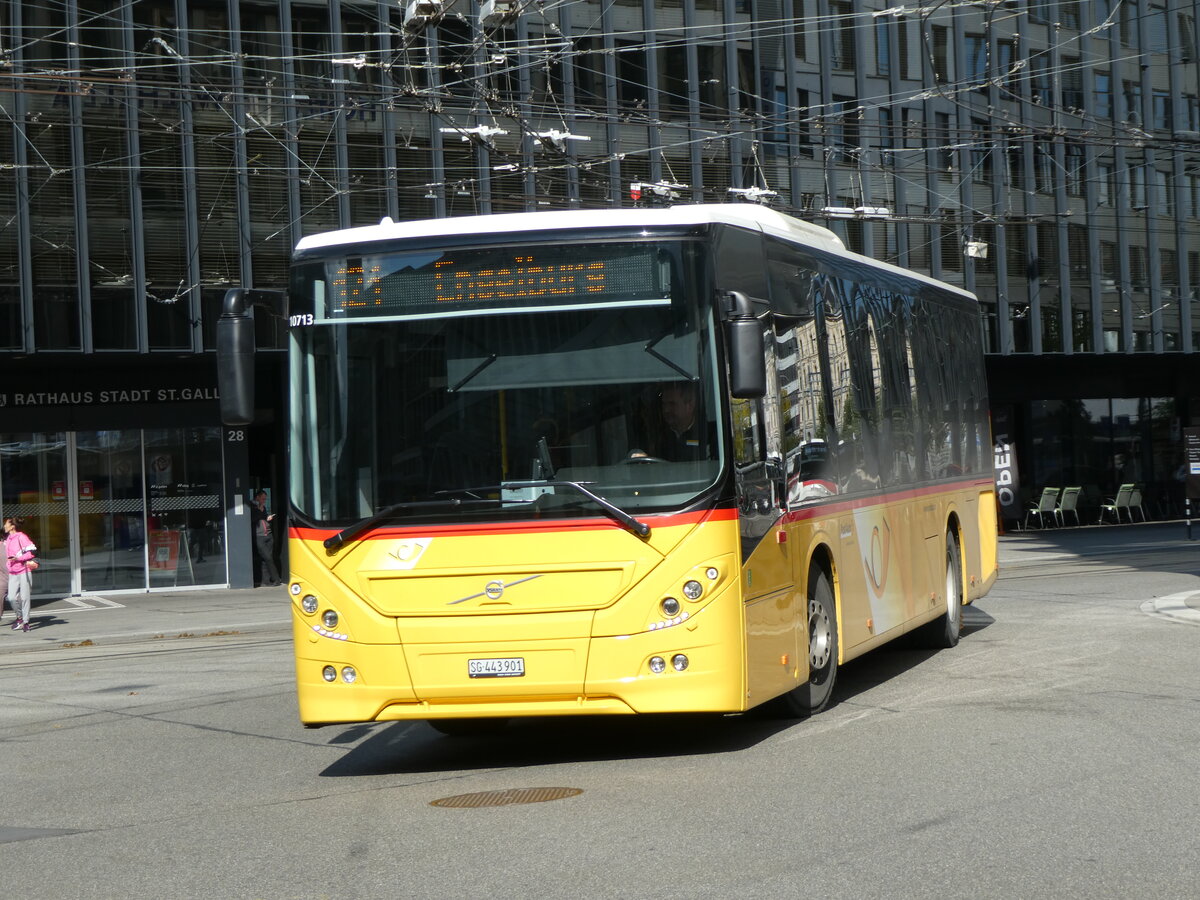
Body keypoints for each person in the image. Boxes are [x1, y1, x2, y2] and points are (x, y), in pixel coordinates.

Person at [4, 516, 37, 632]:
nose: (4, 526)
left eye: (6, 524)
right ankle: (20, 617)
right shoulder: (8, 539)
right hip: (13, 571)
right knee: (11, 597)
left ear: (12, 526)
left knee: (25, 597)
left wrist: (18, 558)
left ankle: (26, 622)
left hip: (24, 571)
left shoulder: (22, 537)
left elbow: (32, 552)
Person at [251, 491, 281, 587]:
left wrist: (268, 517)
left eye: (265, 499)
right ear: (257, 498)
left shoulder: (263, 508)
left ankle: (266, 581)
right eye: (263, 498)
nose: (264, 501)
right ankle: (276, 579)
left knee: (266, 559)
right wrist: (260, 511)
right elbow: (254, 519)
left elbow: (263, 518)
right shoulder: (252, 507)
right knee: (268, 558)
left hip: (268, 535)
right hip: (259, 536)